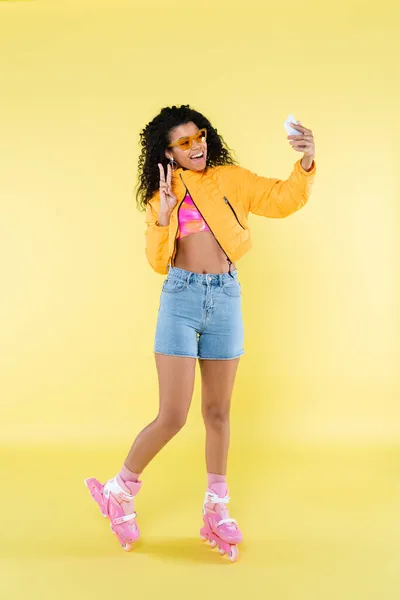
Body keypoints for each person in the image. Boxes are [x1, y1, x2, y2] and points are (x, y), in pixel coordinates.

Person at [85, 104, 316, 561]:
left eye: (201, 136)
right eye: (185, 142)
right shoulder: (162, 196)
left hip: (226, 297)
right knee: (173, 414)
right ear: (167, 152)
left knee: (218, 413)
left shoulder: (229, 179)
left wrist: (306, 163)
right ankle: (119, 490)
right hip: (181, 298)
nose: (197, 146)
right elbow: (157, 261)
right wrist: (164, 215)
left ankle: (216, 507)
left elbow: (280, 198)